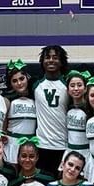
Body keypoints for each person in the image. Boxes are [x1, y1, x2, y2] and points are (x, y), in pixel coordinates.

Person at [32, 45, 70, 176]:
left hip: (63, 146)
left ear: (62, 62)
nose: (51, 60)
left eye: (55, 57)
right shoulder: (36, 85)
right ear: (42, 61)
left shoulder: (68, 85)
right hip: (42, 146)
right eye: (47, 57)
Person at [3, 61, 37, 166]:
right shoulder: (7, 100)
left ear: (27, 78)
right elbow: (3, 125)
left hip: (30, 145)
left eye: (21, 79)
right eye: (14, 81)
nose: (19, 83)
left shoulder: (36, 98)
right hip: (12, 144)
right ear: (10, 84)